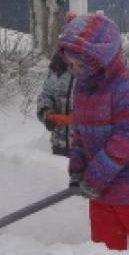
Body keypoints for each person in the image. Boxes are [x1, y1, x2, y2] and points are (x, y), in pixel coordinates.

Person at [58, 12, 129, 253]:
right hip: (102, 194)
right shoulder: (83, 88)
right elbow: (80, 133)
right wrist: (78, 171)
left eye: (81, 65)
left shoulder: (128, 89)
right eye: (71, 65)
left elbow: (127, 141)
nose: (75, 71)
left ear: (102, 60)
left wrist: (94, 177)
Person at [36, 12, 78, 156]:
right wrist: (47, 113)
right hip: (59, 147)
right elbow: (46, 95)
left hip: (85, 149)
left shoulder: (92, 69)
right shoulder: (57, 67)